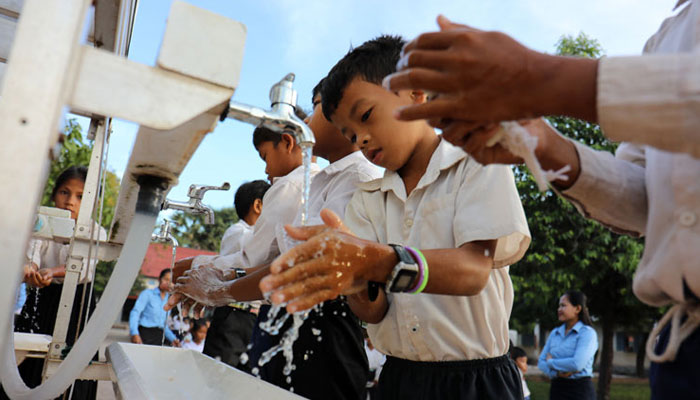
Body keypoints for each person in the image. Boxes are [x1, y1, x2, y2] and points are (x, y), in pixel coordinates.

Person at [381, 9, 700, 399]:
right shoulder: (666, 37)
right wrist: (543, 144)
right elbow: (646, 201)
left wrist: (540, 77)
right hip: (682, 347)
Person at [260, 35, 531, 400]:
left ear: (416, 91)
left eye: (367, 116)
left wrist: (379, 260)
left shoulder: (477, 160)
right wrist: (354, 280)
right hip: (400, 378)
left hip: (476, 380)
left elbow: (473, 270)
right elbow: (375, 313)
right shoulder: (369, 197)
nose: (363, 140)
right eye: (350, 134)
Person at [168, 81, 380, 399]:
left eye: (318, 106)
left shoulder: (348, 178)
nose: (308, 121)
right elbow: (281, 261)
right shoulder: (322, 180)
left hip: (321, 326)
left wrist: (212, 284)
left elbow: (279, 263)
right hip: (296, 319)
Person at [4, 166, 105, 400]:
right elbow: (33, 253)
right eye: (64, 192)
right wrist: (31, 270)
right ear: (54, 195)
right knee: (29, 358)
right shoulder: (41, 223)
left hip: (79, 305)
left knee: (71, 365)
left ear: (94, 203)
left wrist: (53, 271)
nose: (70, 202)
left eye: (81, 196)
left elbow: (82, 267)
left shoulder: (96, 232)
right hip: (43, 297)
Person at [203, 180, 270, 368]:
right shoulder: (239, 233)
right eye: (273, 204)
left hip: (250, 318)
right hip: (233, 315)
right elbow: (259, 252)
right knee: (222, 372)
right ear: (258, 206)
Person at [538, 291, 597, 400]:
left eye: (563, 306)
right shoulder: (555, 333)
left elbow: (577, 364)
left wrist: (551, 362)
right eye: (559, 306)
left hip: (580, 391)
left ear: (578, 309)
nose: (559, 309)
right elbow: (541, 362)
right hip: (557, 389)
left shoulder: (587, 333)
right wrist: (557, 373)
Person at [129, 268, 180, 346]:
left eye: (171, 281)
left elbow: (163, 325)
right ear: (160, 279)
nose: (168, 283)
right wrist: (134, 333)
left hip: (159, 336)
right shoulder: (147, 294)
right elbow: (135, 312)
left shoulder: (169, 300)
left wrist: (173, 338)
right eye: (166, 279)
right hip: (145, 333)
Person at [364, 334, 385, 400]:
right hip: (364, 373)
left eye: (369, 338)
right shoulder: (363, 349)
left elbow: (380, 366)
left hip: (373, 374)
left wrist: (376, 378)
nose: (368, 340)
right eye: (367, 338)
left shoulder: (379, 352)